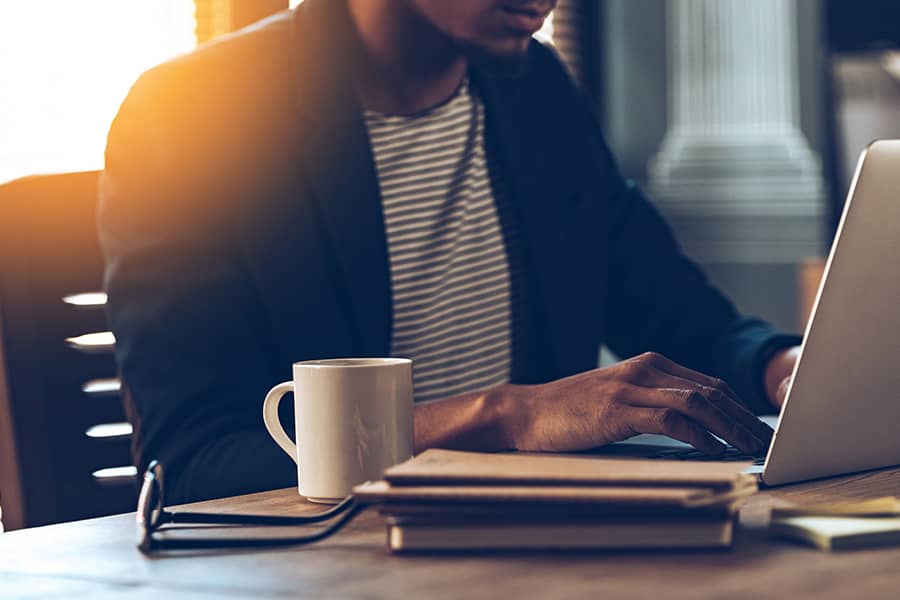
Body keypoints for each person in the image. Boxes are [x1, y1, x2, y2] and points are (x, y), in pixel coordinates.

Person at [99, 0, 801, 504]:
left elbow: (675, 313)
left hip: (535, 554)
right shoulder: (190, 112)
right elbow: (189, 460)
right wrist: (507, 416)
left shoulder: (537, 91)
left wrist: (784, 367)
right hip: (326, 571)